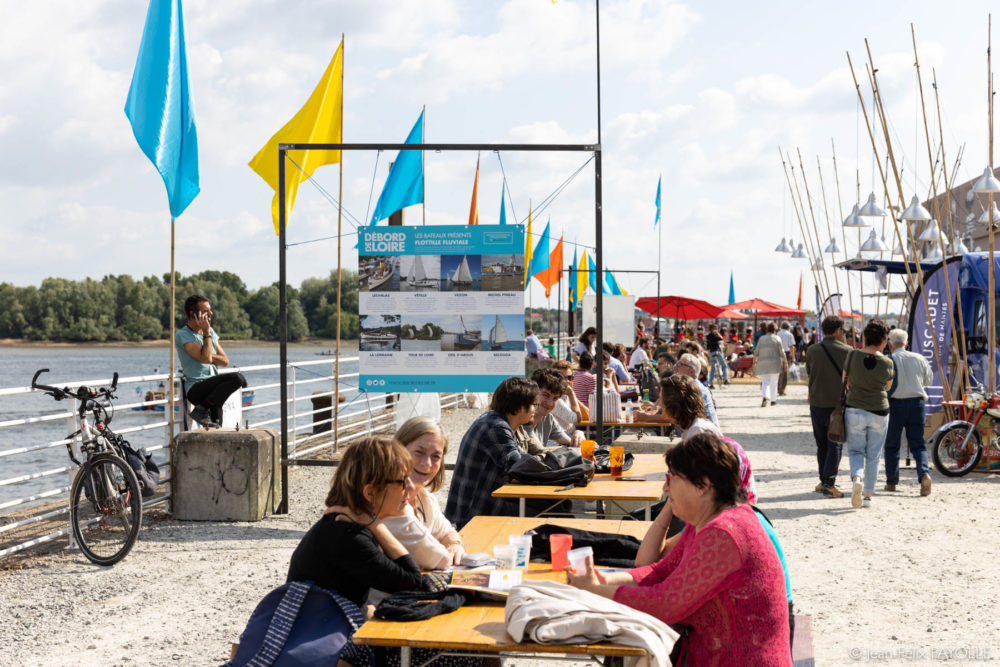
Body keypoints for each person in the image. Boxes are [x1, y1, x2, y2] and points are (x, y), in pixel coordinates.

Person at [565, 432, 791, 665]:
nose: (665, 486)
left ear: (703, 485)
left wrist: (594, 590)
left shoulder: (724, 532)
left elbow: (666, 603)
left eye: (671, 477)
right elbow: (660, 572)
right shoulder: (707, 521)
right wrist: (605, 580)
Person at [286, 436, 422, 665]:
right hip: (324, 647)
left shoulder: (343, 527)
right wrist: (376, 525)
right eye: (401, 482)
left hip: (325, 633)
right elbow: (413, 581)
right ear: (370, 493)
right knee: (461, 656)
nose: (410, 487)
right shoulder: (347, 536)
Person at [444, 377, 538, 529]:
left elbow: (521, 460)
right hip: (471, 516)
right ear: (521, 407)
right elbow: (519, 467)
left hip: (479, 506)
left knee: (553, 506)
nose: (535, 409)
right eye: (534, 404)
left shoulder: (495, 421)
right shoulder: (496, 427)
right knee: (551, 513)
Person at [381, 418, 466, 570]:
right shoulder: (388, 501)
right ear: (399, 450)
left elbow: (447, 531)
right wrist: (448, 549)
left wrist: (454, 544)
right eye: (419, 452)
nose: (427, 463)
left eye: (436, 456)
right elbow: (441, 559)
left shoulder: (423, 497)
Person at [175, 294, 246, 427]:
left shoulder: (210, 331)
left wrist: (205, 352)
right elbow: (207, 358)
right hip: (197, 387)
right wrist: (206, 333)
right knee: (238, 378)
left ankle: (202, 409)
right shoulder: (183, 335)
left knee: (217, 428)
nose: (210, 313)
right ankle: (201, 410)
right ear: (193, 313)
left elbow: (224, 361)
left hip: (213, 391)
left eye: (210, 310)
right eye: (206, 311)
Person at [844, 319, 894, 509]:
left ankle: (857, 478)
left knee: (855, 450)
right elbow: (887, 387)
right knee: (873, 455)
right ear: (883, 340)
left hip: (854, 408)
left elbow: (845, 381)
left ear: (865, 337)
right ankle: (868, 496)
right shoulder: (888, 362)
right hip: (879, 411)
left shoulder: (852, 355)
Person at [805, 316, 852, 498]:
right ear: (838, 330)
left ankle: (823, 479)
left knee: (821, 444)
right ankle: (829, 483)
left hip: (817, 401)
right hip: (837, 404)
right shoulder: (847, 351)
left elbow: (810, 373)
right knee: (835, 443)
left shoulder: (812, 350)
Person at [884, 329, 934, 496]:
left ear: (890, 343)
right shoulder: (919, 358)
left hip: (895, 405)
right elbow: (928, 380)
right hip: (917, 404)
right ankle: (924, 474)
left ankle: (891, 481)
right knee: (918, 444)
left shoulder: (888, 359)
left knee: (892, 444)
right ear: (907, 343)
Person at [528, 368, 585, 447]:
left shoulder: (548, 418)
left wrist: (579, 433)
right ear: (534, 392)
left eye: (555, 398)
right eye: (546, 395)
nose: (550, 403)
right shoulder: (522, 418)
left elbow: (570, 443)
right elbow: (535, 451)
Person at [669, 353, 718, 425]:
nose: (675, 368)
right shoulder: (686, 385)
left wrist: (647, 417)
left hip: (703, 434)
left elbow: (673, 416)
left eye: (680, 365)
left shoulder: (694, 388)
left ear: (692, 371)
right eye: (676, 364)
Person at [754, 323, 785, 407]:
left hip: (763, 363)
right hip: (775, 363)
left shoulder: (761, 338)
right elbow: (782, 352)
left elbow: (756, 351)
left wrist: (754, 362)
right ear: (775, 330)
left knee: (765, 381)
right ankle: (773, 400)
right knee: (774, 382)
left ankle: (765, 397)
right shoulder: (777, 338)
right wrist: (785, 363)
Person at [705, 323, 730, 389]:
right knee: (724, 366)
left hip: (712, 353)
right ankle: (725, 379)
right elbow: (721, 339)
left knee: (712, 369)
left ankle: (711, 383)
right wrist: (717, 333)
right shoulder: (716, 336)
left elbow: (708, 347)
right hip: (718, 352)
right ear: (715, 329)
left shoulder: (707, 336)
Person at [776, 322, 795, 396]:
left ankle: (778, 388)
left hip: (778, 353)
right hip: (786, 353)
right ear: (788, 327)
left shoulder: (778, 333)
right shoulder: (790, 334)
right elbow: (791, 347)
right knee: (785, 373)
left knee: (779, 372)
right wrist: (793, 357)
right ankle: (782, 390)